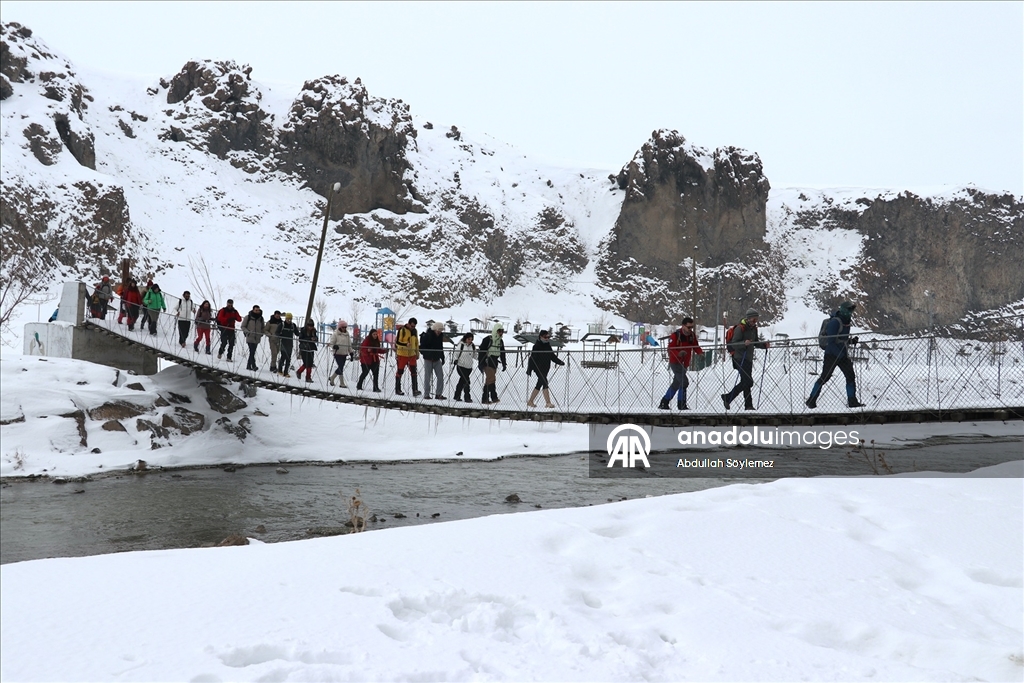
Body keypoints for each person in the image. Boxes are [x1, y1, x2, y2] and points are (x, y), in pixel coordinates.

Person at [806, 301, 866, 409]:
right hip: (832, 355)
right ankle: (811, 400)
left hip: (841, 354)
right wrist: (840, 354)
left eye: (851, 310)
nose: (850, 312)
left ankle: (852, 401)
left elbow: (841, 340)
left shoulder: (846, 322)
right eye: (849, 309)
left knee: (850, 376)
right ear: (843, 310)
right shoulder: (835, 322)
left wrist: (851, 341)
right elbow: (831, 342)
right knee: (825, 377)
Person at [721, 308, 769, 411]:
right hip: (739, 358)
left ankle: (748, 405)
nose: (755, 322)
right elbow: (733, 344)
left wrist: (764, 345)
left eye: (756, 320)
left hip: (748, 359)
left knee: (745, 382)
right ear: (748, 318)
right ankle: (729, 397)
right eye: (754, 319)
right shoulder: (740, 328)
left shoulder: (754, 329)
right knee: (749, 381)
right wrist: (744, 343)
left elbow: (755, 342)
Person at [659, 317, 704, 410]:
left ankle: (664, 402)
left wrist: (700, 353)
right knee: (684, 382)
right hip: (675, 362)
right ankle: (681, 404)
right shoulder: (675, 335)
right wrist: (678, 353)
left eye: (692, 327)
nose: (690, 329)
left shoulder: (692, 336)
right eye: (689, 327)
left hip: (684, 363)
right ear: (683, 326)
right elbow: (670, 349)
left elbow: (696, 346)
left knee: (676, 383)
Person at [526, 329, 565, 408]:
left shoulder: (548, 346)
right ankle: (548, 402)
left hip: (546, 368)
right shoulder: (536, 346)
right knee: (545, 382)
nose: (547, 338)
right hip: (538, 368)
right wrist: (530, 369)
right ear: (540, 337)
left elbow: (552, 356)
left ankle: (530, 401)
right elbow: (532, 358)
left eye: (548, 337)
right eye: (545, 337)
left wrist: (559, 362)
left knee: (539, 384)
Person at [478, 323, 507, 404]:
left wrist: (504, 363)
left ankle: (489, 398)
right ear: (495, 331)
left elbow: (502, 353)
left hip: (494, 362)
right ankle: (489, 398)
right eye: (499, 331)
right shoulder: (487, 339)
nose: (501, 333)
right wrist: (481, 363)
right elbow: (481, 352)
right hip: (487, 361)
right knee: (491, 379)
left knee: (490, 380)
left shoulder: (500, 341)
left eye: (502, 331)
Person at [394, 317, 420, 396]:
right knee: (400, 371)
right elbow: (397, 342)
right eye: (412, 326)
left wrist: (417, 353)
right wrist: (405, 344)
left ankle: (415, 390)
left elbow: (416, 343)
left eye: (414, 326)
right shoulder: (402, 330)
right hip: (402, 354)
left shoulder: (415, 331)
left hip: (412, 354)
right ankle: (398, 389)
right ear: (408, 324)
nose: (413, 328)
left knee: (414, 371)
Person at [420, 322, 447, 400]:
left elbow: (440, 347)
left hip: (437, 359)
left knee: (440, 376)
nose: (439, 332)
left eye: (441, 330)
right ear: (435, 329)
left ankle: (438, 394)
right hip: (428, 359)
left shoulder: (440, 336)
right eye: (438, 330)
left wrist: (442, 357)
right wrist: (428, 353)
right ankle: (426, 394)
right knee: (427, 377)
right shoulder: (427, 336)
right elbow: (422, 347)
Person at [452, 333, 476, 402]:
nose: (470, 341)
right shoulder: (461, 345)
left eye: (471, 339)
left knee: (462, 381)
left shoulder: (473, 346)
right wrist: (455, 360)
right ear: (465, 338)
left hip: (469, 367)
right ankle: (467, 397)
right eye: (469, 339)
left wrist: (482, 358)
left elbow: (475, 355)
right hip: (461, 366)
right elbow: (455, 354)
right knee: (466, 381)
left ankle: (457, 396)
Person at [328, 320, 352, 387]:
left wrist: (351, 352)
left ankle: (333, 379)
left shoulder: (347, 335)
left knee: (341, 367)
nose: (344, 328)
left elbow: (349, 344)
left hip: (344, 353)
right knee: (340, 367)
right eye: (343, 327)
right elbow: (331, 343)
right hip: (337, 353)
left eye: (345, 327)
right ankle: (340, 382)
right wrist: (334, 346)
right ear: (340, 327)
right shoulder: (335, 334)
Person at [241, 305, 265, 371]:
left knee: (252, 352)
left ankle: (248, 366)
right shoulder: (248, 317)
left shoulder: (261, 318)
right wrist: (247, 332)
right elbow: (243, 326)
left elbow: (263, 327)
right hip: (250, 337)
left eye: (258, 310)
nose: (257, 311)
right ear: (253, 310)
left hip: (257, 338)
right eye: (256, 310)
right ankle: (253, 365)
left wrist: (261, 333)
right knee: (252, 351)